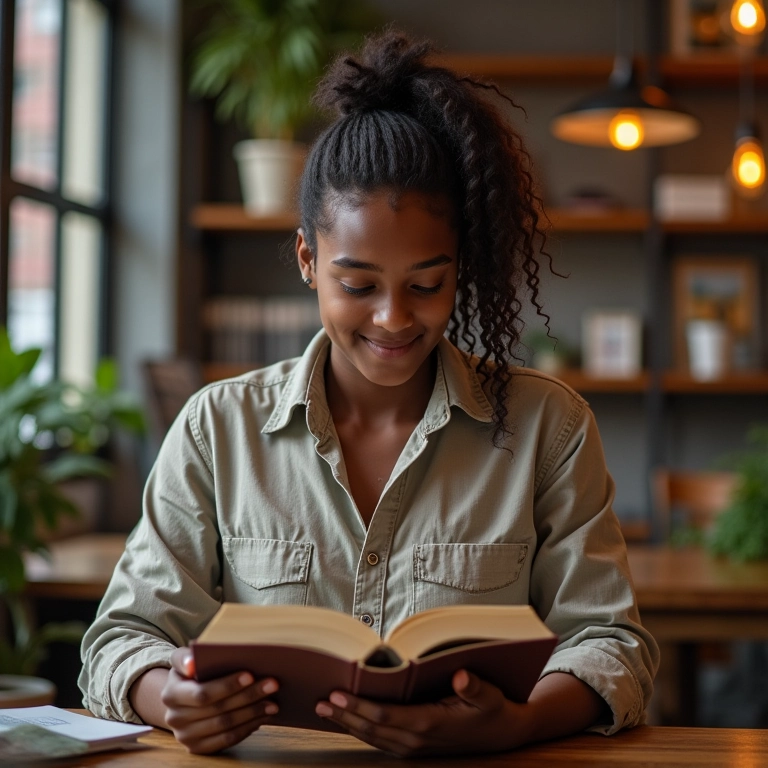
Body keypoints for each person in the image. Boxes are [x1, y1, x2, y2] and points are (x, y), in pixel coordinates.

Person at [79, 29, 659, 757]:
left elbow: (613, 644)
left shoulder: (549, 427)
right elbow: (121, 638)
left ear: (460, 272)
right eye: (357, 284)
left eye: (427, 284)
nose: (393, 318)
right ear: (306, 260)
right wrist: (172, 701)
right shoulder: (217, 429)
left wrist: (518, 722)